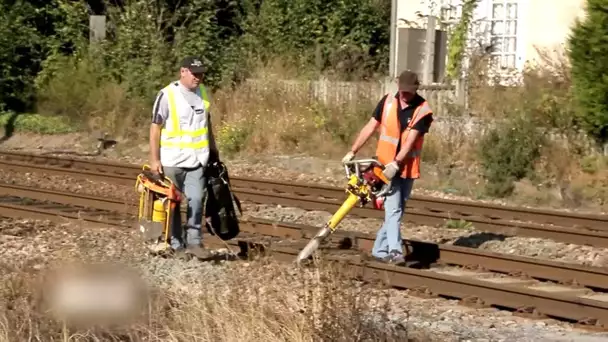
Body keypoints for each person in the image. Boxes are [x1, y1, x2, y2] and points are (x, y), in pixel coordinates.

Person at [342, 70, 433, 265]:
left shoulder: (422, 110)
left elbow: (410, 142)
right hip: (383, 166)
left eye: (408, 92)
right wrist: (353, 150)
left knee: (398, 209)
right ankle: (394, 251)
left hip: (405, 168)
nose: (404, 96)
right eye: (402, 91)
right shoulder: (387, 102)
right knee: (393, 210)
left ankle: (379, 249)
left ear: (416, 89)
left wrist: (397, 163)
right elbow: (370, 126)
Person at [149, 56, 220, 259]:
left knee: (197, 199)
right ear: (183, 72)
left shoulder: (203, 93)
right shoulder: (167, 95)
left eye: (201, 74)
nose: (198, 77)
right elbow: (155, 128)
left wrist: (214, 150)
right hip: (172, 160)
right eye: (194, 73)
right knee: (173, 204)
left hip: (197, 160)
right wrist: (155, 159)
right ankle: (176, 244)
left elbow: (207, 125)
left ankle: (195, 243)